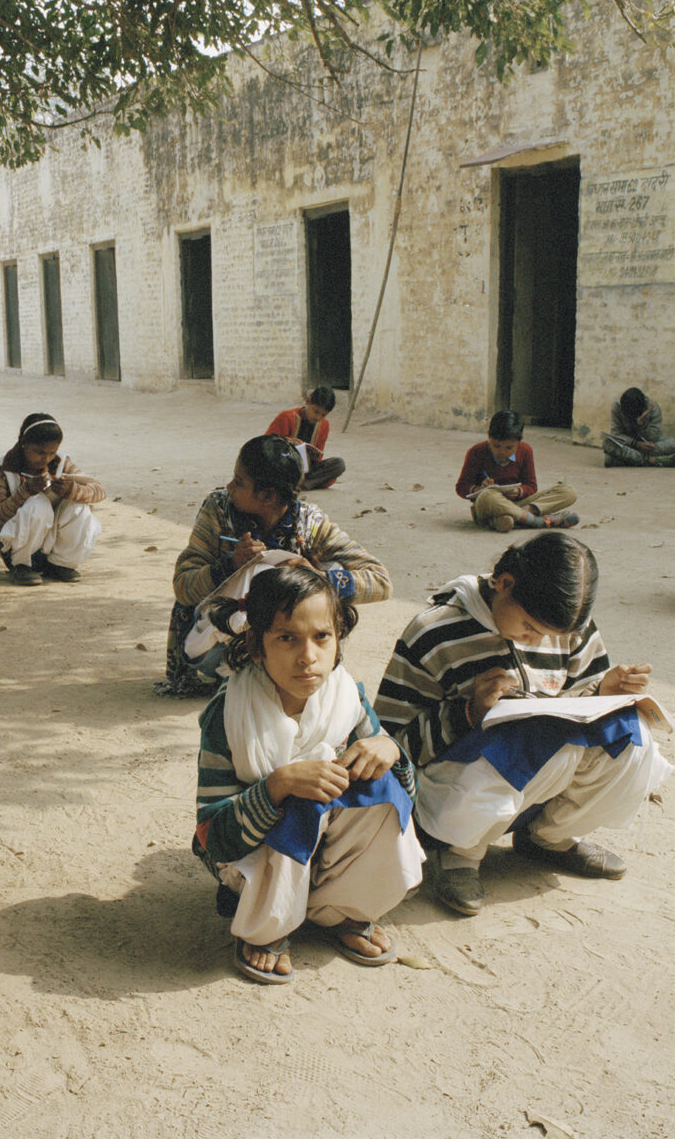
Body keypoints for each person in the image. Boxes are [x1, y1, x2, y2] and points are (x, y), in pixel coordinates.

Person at [374, 532, 672, 917]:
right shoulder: (435, 631)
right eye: (530, 627)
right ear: (505, 584)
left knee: (630, 735)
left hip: (532, 782)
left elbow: (578, 707)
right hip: (446, 800)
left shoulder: (567, 625)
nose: (537, 640)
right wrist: (466, 713)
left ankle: (548, 837)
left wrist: (603, 690)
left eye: (550, 636)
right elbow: (388, 741)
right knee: (540, 738)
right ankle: (459, 853)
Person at [194, 565, 422, 984]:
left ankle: (340, 910)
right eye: (287, 638)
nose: (308, 657)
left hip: (328, 849)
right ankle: (269, 924)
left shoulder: (345, 697)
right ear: (257, 646)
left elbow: (408, 793)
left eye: (322, 637)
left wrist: (391, 750)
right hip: (257, 857)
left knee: (382, 785)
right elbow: (213, 835)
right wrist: (277, 786)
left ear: (338, 639)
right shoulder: (229, 713)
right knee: (299, 801)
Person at [156, 434, 392, 699]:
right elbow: (184, 587)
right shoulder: (219, 510)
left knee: (326, 579)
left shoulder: (309, 523)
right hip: (215, 649)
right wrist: (230, 564)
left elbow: (380, 581)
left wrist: (317, 576)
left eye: (240, 481)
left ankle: (280, 676)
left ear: (267, 495)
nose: (229, 486)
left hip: (283, 648)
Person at [0, 413, 105, 584]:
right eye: (39, 452)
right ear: (24, 444)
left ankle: (61, 564)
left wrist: (71, 490)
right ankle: (23, 566)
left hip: (50, 546)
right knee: (37, 504)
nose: (46, 459)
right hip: (15, 548)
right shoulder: (3, 469)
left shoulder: (60, 462)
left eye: (51, 452)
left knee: (79, 507)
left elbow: (99, 491)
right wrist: (24, 493)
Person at [456, 409, 579, 533]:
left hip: (519, 504)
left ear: (520, 441)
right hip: (489, 505)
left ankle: (508, 519)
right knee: (488, 495)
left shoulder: (525, 451)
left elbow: (531, 486)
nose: (502, 452)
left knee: (568, 491)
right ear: (488, 436)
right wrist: (479, 489)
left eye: (509, 447)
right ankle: (536, 521)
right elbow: (461, 487)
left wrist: (518, 492)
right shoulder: (477, 451)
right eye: (496, 446)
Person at [265, 385, 345, 490]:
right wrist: (288, 442)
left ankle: (296, 484)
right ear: (308, 401)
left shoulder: (324, 425)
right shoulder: (286, 416)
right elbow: (266, 443)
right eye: (316, 411)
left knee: (339, 464)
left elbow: (318, 457)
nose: (318, 417)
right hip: (284, 465)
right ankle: (301, 483)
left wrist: (312, 452)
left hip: (305, 470)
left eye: (323, 415)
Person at [603, 387, 675, 468]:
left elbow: (653, 437)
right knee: (607, 443)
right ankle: (652, 460)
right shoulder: (617, 406)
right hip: (627, 445)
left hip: (645, 447)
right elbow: (616, 434)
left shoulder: (653, 408)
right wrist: (636, 444)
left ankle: (630, 459)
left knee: (672, 444)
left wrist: (641, 425)